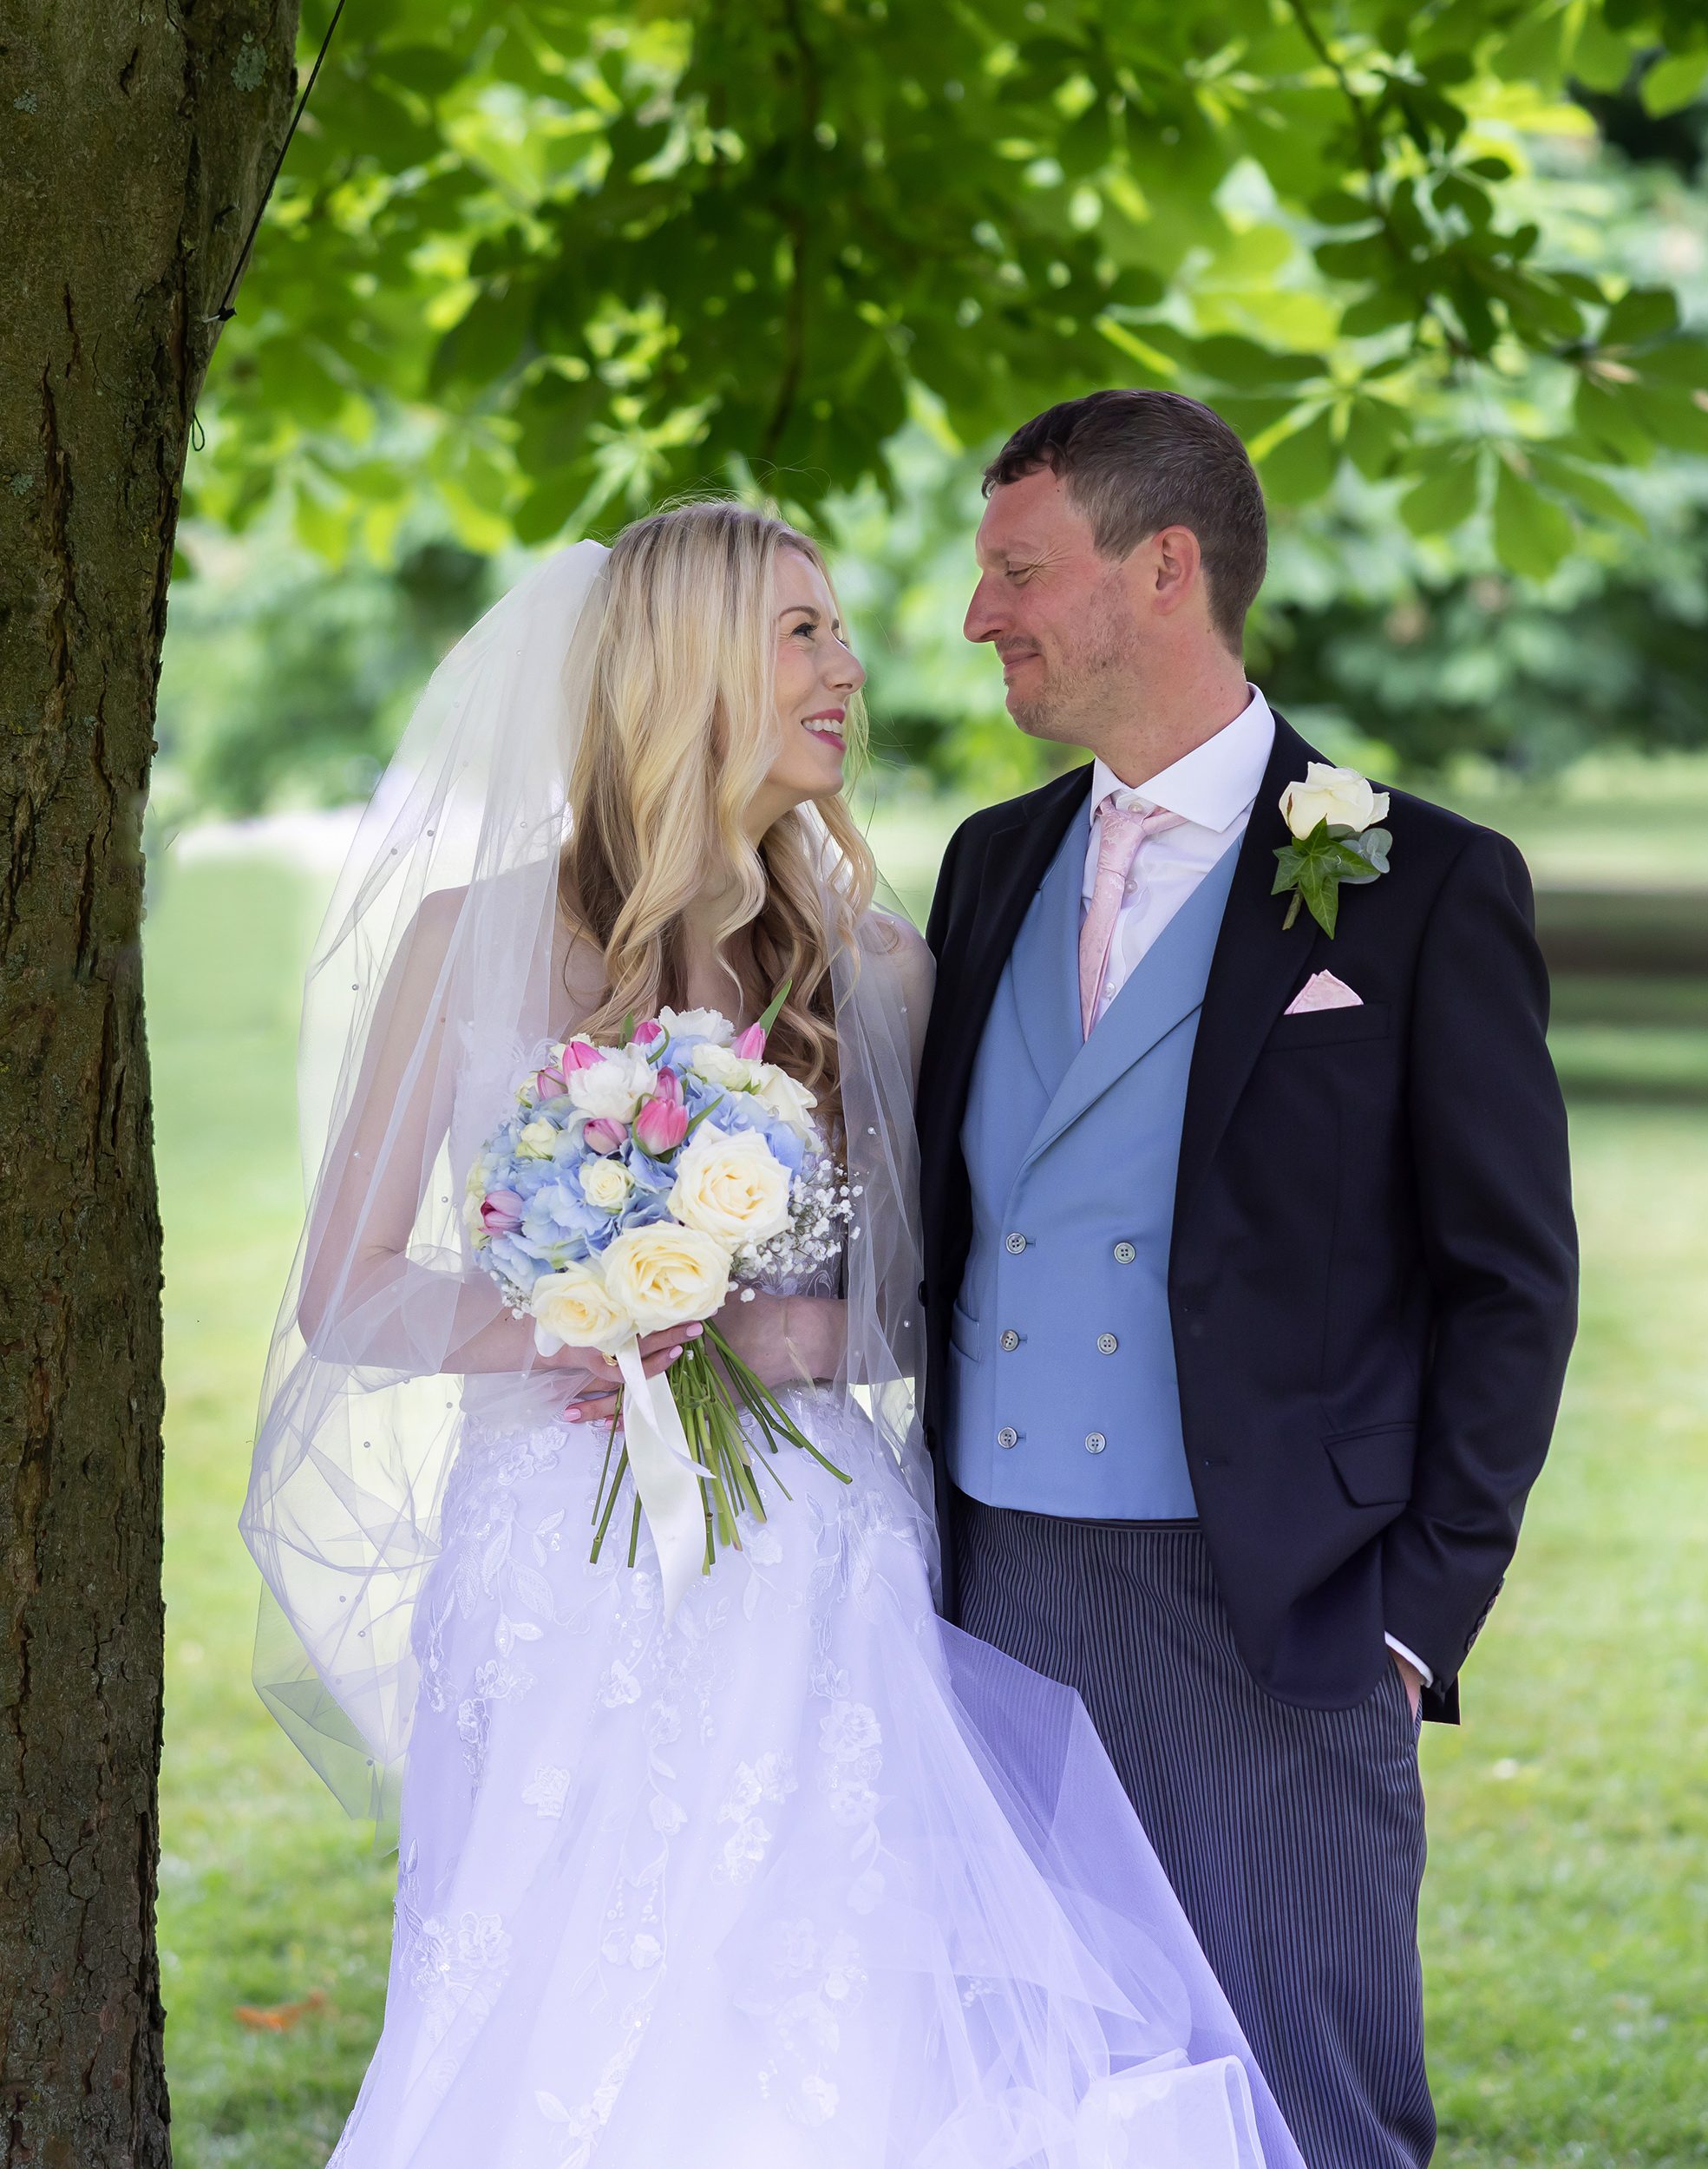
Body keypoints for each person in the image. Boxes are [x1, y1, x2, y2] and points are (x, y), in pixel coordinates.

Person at [241, 501, 1307, 2167]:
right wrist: (576, 1325)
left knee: (821, 1989)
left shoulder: (874, 967)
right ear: (692, 666)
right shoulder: (477, 939)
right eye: (802, 631)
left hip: (810, 1559)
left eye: (837, 629)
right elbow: (350, 1282)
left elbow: (923, 1291)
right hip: (558, 1559)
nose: (851, 667)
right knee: (557, 1987)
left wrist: (800, 1341)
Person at [915, 388, 1580, 2169]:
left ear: (1163, 568)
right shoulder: (987, 868)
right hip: (994, 1587)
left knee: (1308, 2084)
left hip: (1277, 1595)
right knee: (1038, 2080)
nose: (979, 614)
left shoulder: (1412, 875)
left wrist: (1409, 1616)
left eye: (1015, 570)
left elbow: (1506, 1281)